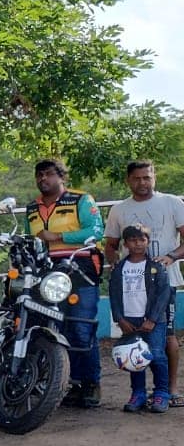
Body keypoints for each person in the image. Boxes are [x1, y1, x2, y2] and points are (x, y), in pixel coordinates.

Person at [103, 160, 184, 409]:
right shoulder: (119, 209)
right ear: (129, 180)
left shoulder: (172, 203)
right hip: (131, 288)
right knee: (134, 342)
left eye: (147, 177)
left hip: (165, 281)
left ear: (154, 178)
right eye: (137, 178)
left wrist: (171, 256)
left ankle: (169, 390)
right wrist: (115, 263)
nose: (143, 182)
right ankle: (139, 392)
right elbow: (110, 245)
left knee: (165, 335)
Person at [26, 159, 105, 408]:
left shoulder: (81, 200)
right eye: (39, 175)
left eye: (49, 174)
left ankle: (91, 383)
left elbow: (95, 231)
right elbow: (36, 239)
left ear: (61, 177)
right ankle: (68, 383)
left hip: (80, 268)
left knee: (81, 329)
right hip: (47, 272)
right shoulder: (32, 207)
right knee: (53, 328)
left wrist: (60, 236)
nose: (43, 179)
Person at [109, 224, 172, 413]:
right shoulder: (119, 268)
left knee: (157, 355)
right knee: (134, 358)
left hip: (153, 322)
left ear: (148, 241)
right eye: (133, 240)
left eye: (141, 240)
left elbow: (163, 295)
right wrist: (119, 318)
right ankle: (138, 394)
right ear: (126, 244)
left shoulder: (156, 267)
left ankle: (161, 393)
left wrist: (152, 319)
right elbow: (113, 294)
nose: (137, 244)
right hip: (129, 321)